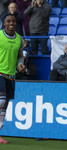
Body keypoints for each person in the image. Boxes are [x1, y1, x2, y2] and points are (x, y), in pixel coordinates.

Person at [0, 14, 25, 144]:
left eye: (13, 21)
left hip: (11, 75)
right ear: (4, 23)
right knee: (1, 100)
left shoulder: (19, 39)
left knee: (5, 104)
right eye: (8, 21)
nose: (11, 23)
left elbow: (20, 55)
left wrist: (20, 64)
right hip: (0, 72)